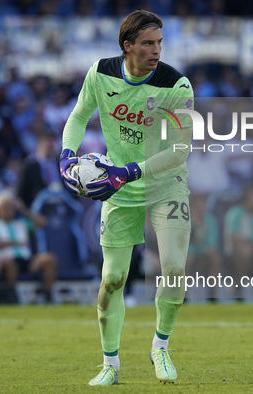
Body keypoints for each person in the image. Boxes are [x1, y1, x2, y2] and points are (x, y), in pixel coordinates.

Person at [59, 10, 194, 385]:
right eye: (148, 43)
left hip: (165, 185)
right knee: (113, 279)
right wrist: (66, 156)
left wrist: (131, 171)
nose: (156, 51)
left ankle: (161, 347)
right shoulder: (100, 73)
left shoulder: (175, 85)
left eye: (160, 43)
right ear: (128, 46)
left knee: (173, 269)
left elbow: (181, 149)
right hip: (119, 191)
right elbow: (77, 117)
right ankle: (110, 365)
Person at [0, 190, 57, 302]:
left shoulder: (21, 224)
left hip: (25, 259)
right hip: (5, 261)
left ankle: (48, 294)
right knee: (9, 262)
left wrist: (24, 210)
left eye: (11, 207)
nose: (9, 210)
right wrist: (17, 243)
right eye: (6, 207)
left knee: (49, 259)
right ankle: (12, 294)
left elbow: (42, 223)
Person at [186, 193, 221, 301]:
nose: (201, 210)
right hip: (188, 253)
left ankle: (212, 293)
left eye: (203, 207)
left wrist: (201, 250)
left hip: (205, 254)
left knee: (215, 257)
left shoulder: (211, 221)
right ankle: (183, 293)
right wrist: (194, 224)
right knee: (188, 258)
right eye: (198, 208)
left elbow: (212, 243)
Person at [16, 132, 60, 207]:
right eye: (47, 142)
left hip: (61, 207)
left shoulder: (61, 164)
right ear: (39, 144)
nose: (50, 145)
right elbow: (21, 193)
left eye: (53, 142)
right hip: (38, 210)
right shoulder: (29, 166)